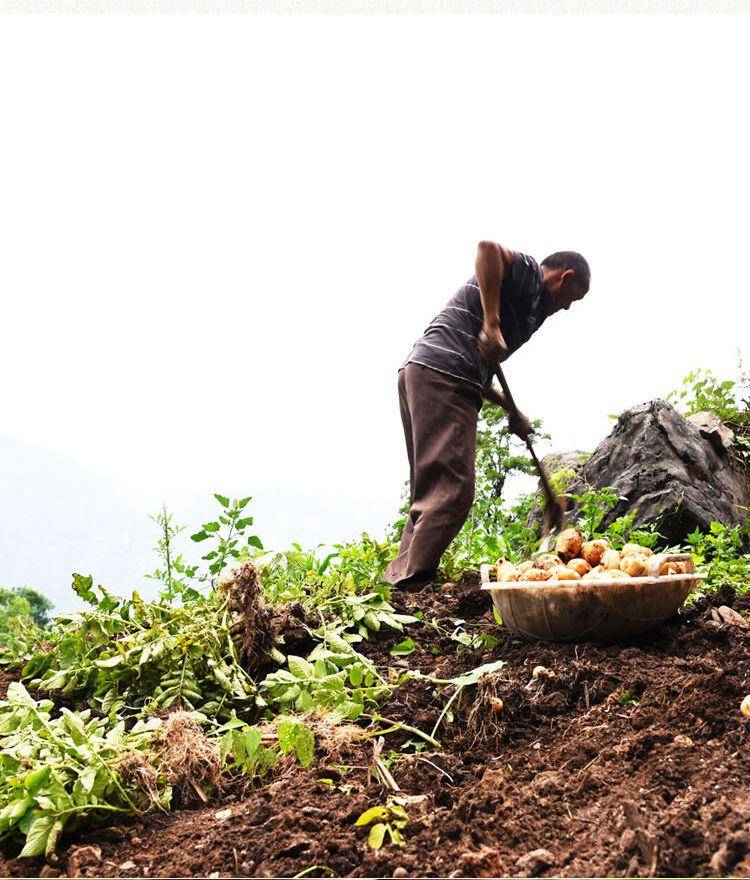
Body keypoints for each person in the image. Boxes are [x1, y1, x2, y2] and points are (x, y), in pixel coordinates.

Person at [384, 241, 590, 589]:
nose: (568, 307)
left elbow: (482, 363)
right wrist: (492, 323)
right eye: (574, 296)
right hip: (444, 373)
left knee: (430, 489)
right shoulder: (530, 275)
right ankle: (411, 584)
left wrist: (512, 411)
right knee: (453, 491)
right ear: (565, 276)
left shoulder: (533, 311)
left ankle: (400, 578)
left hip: (429, 372)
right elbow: (487, 249)